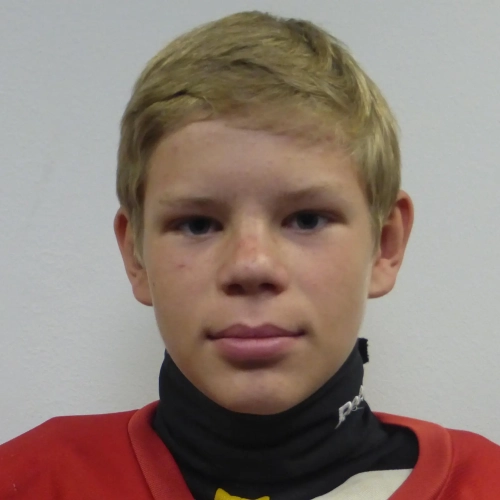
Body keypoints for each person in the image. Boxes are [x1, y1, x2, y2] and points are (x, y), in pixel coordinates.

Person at [1, 10, 499, 500]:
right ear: (136, 256)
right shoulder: (28, 481)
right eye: (197, 224)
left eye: (307, 219)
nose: (251, 266)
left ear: (384, 245)